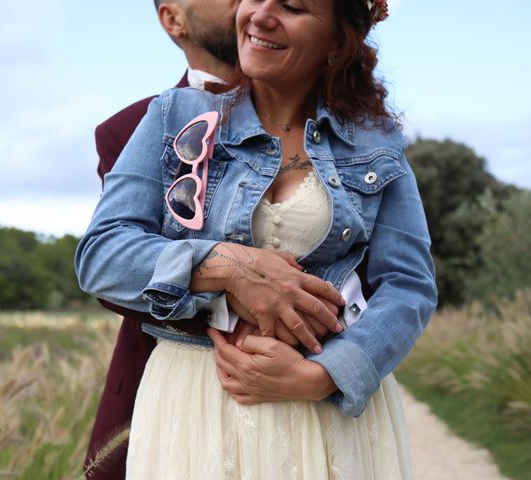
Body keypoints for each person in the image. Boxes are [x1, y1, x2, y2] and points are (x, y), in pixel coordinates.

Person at [76, 0, 438, 477]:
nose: (261, 14)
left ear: (337, 39)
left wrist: (323, 376)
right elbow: (102, 255)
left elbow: (409, 284)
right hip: (195, 407)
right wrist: (226, 265)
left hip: (327, 413)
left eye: (292, 6)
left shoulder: (376, 140)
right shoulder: (173, 116)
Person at [84, 1, 239, 478]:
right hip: (162, 393)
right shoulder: (126, 129)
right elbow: (116, 267)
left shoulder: (332, 119)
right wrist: (231, 276)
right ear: (174, 19)